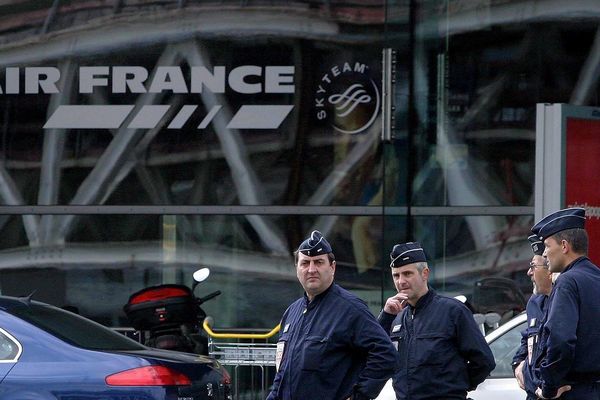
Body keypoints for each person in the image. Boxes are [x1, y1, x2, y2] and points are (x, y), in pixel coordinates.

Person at [266, 230, 397, 400]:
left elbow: (385, 354)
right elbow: (283, 370)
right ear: (297, 269)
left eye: (319, 262)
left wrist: (359, 395)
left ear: (332, 267)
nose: (311, 269)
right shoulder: (292, 312)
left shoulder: (350, 309)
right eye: (305, 263)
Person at [378, 241, 495, 400]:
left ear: (425, 273)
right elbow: (374, 353)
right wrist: (385, 317)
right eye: (396, 275)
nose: (401, 281)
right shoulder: (396, 317)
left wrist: (454, 386)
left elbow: (483, 361)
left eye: (407, 274)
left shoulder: (452, 311)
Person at [530, 207, 600, 400]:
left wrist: (549, 387)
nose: (544, 254)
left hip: (574, 391)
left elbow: (561, 340)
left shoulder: (568, 281)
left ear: (564, 245)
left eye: (547, 246)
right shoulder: (596, 277)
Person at [512, 233, 554, 400]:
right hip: (533, 393)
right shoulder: (534, 302)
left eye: (533, 266)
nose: (529, 272)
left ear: (549, 271)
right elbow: (527, 339)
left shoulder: (566, 300)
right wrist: (518, 364)